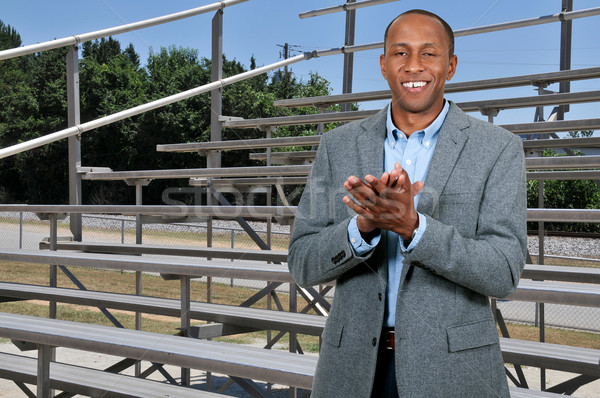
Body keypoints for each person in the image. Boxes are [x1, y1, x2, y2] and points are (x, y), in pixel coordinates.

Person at [287, 9, 527, 398]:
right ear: (383, 65)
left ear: (450, 66)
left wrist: (416, 229)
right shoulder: (338, 145)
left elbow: (503, 272)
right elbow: (302, 263)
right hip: (350, 372)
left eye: (429, 54)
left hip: (452, 374)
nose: (413, 65)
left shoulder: (499, 149)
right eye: (400, 53)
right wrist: (361, 229)